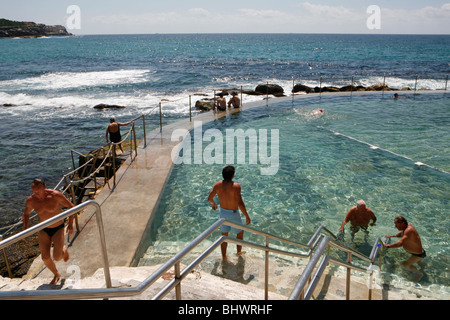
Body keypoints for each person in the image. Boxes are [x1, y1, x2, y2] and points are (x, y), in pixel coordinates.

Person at [22, 178, 75, 285]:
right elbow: (26, 214)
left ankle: (64, 250)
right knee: (45, 257)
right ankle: (56, 274)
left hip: (58, 228)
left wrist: (70, 225)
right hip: (43, 229)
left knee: (57, 257)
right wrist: (25, 229)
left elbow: (71, 206)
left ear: (44, 187)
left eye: (38, 190)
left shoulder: (55, 195)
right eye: (34, 191)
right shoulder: (31, 200)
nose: (36, 193)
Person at [208, 166, 251, 261]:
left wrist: (213, 203)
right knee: (239, 233)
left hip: (223, 213)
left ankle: (224, 257)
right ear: (233, 175)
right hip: (234, 214)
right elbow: (240, 203)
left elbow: (209, 198)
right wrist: (247, 216)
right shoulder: (236, 186)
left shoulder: (217, 185)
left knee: (224, 236)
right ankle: (238, 253)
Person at [384, 216, 426, 280]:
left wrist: (388, 246)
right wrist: (393, 236)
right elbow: (401, 234)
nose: (395, 226)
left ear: (402, 223)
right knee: (419, 263)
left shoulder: (409, 230)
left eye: (396, 224)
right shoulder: (406, 228)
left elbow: (400, 243)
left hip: (418, 255)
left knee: (405, 264)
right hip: (416, 252)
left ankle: (418, 273)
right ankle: (423, 268)